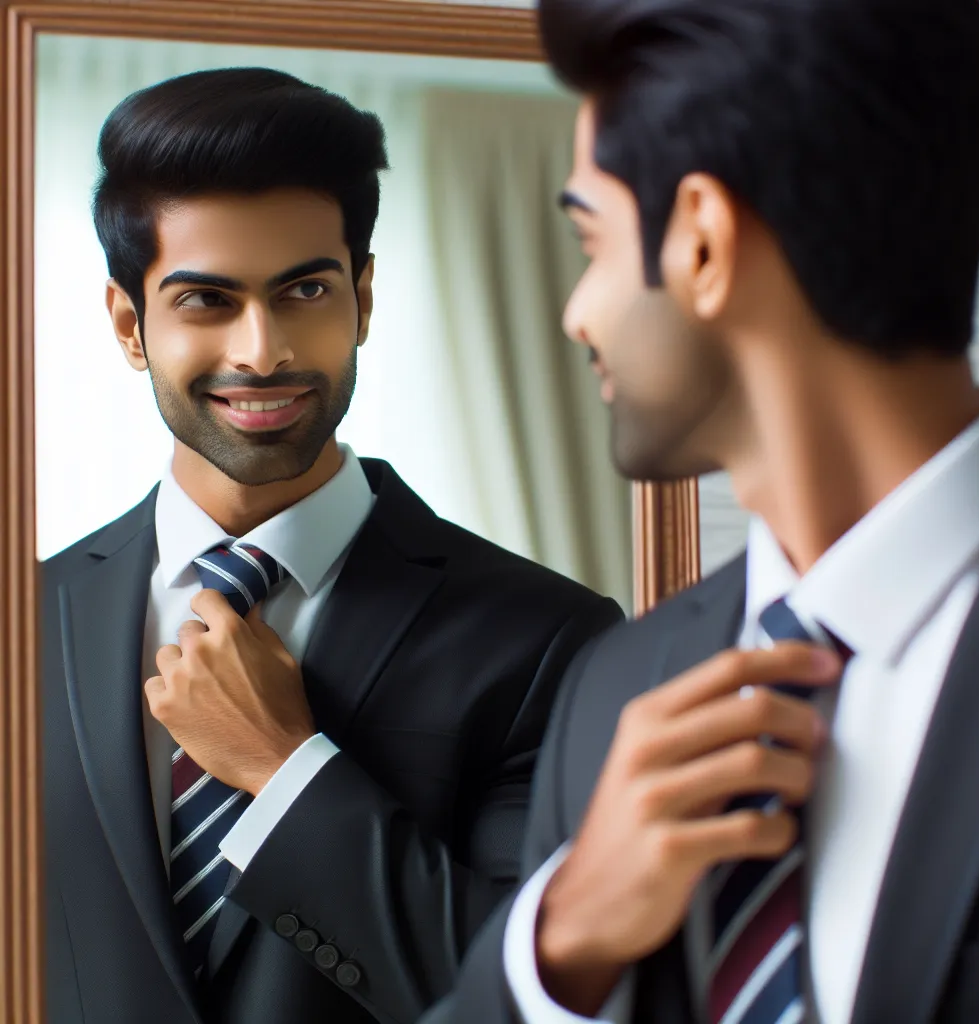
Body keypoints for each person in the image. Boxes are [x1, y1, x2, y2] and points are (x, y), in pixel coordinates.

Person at [425, 0, 979, 1022]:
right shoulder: (616, 686)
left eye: (590, 240)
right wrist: (560, 942)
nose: (577, 311)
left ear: (699, 238)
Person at [41, 67, 623, 1024]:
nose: (262, 349)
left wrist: (285, 771)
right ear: (128, 326)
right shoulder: (29, 622)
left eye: (304, 289)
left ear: (361, 296)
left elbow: (526, 1001)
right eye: (205, 301)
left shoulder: (552, 640)